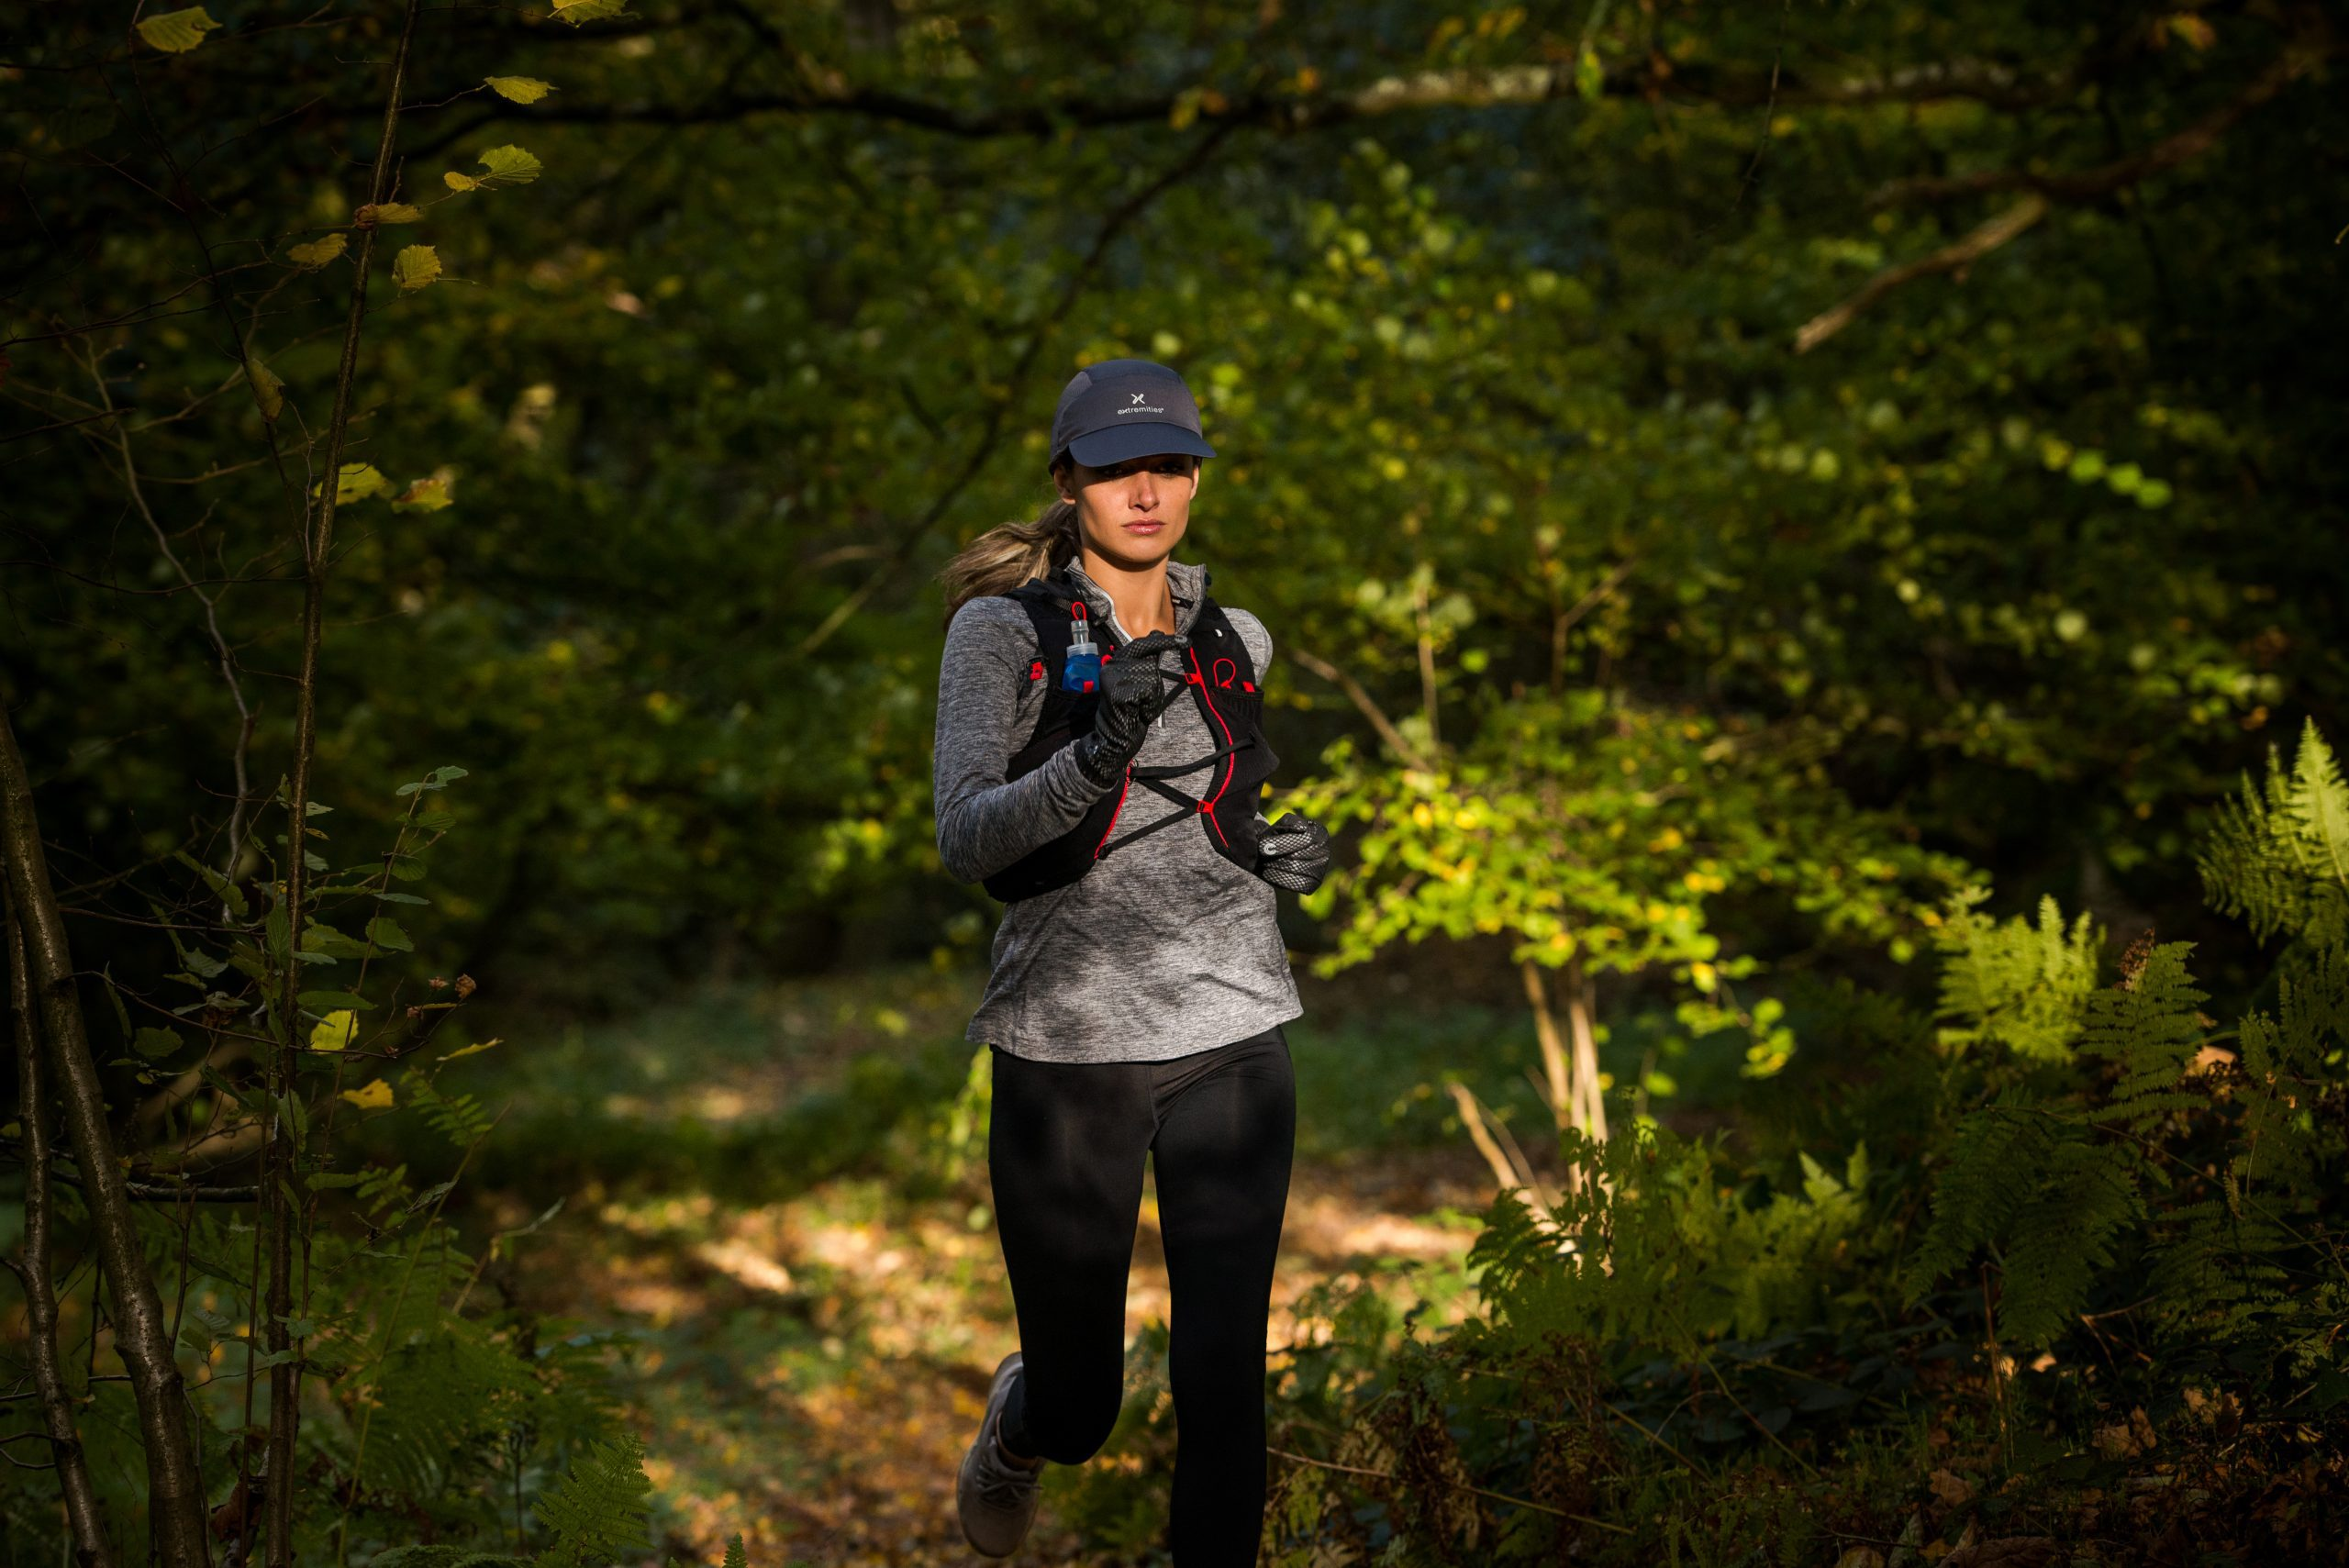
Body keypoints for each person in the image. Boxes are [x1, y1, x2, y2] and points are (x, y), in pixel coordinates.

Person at [930, 358, 1334, 1566]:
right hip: (1068, 1051)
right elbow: (965, 834)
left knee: (1225, 1384)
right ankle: (1022, 1425)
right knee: (1083, 1408)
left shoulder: (1235, 635)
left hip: (1233, 1033)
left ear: (1197, 477)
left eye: (1169, 465)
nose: (1145, 491)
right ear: (1070, 483)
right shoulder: (1002, 632)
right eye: (1115, 469)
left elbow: (1228, 804)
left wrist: (1280, 849)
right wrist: (1100, 745)